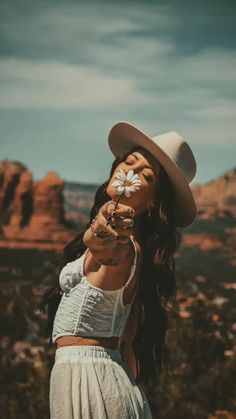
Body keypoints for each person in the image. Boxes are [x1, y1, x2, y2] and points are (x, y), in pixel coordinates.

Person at [39, 121, 197, 418]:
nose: (131, 172)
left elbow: (107, 248)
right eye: (129, 161)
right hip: (87, 378)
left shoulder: (127, 245)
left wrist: (103, 230)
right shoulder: (128, 243)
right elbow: (129, 332)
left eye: (145, 175)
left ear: (152, 203)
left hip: (94, 381)